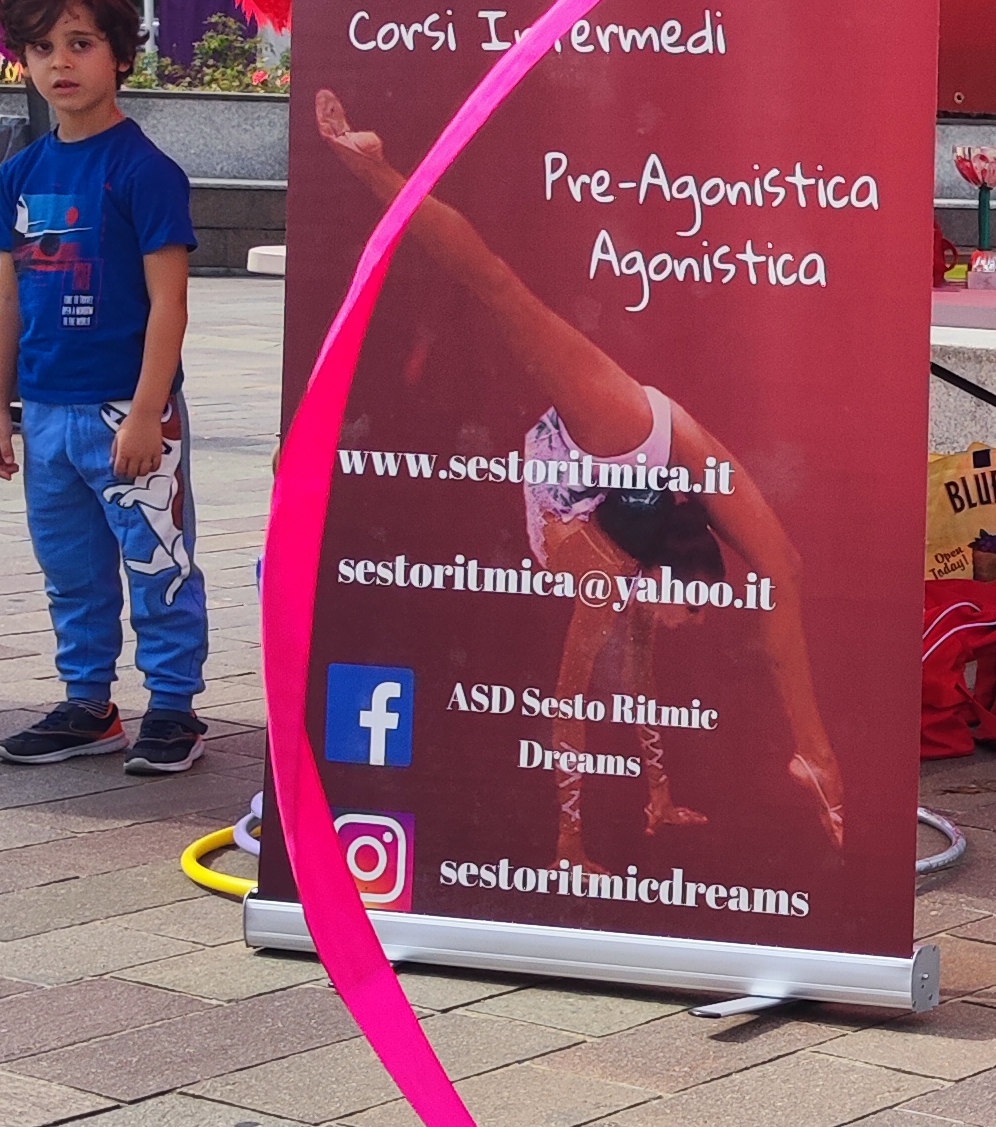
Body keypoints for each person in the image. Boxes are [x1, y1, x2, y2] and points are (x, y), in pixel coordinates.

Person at [308, 89, 848, 862]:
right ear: (673, 579)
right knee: (498, 287)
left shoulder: (636, 568)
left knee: (779, 570)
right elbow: (567, 705)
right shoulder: (613, 564)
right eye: (687, 612)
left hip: (623, 468)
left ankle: (814, 758)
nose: (680, 627)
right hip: (618, 443)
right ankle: (377, 170)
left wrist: (660, 797)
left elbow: (642, 686)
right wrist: (569, 837)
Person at [0, 0, 208, 776]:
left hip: (127, 411)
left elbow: (170, 304)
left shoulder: (145, 172)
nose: (60, 63)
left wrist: (149, 410)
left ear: (120, 55)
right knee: (70, 569)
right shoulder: (23, 172)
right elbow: (7, 294)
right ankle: (88, 703)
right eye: (42, 47)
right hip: (45, 409)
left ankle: (175, 708)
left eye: (80, 43)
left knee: (159, 563)